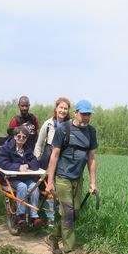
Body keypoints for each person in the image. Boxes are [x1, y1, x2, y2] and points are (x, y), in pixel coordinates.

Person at [45, 99, 98, 254]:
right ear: (76, 113)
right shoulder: (64, 129)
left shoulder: (91, 131)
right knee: (68, 213)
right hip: (62, 177)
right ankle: (69, 252)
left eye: (89, 114)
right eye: (83, 114)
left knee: (74, 214)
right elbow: (54, 155)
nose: (86, 117)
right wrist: (50, 180)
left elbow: (91, 158)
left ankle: (52, 238)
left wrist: (93, 182)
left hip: (78, 178)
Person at [34, 97, 71, 226]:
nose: (63, 110)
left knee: (60, 186)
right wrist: (36, 161)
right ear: (56, 109)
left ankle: (60, 217)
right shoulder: (48, 124)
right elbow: (39, 144)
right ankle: (48, 217)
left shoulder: (70, 125)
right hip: (48, 156)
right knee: (47, 187)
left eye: (65, 108)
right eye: (61, 107)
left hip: (63, 158)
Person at [0, 126, 42, 227]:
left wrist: (28, 165)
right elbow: (3, 163)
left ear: (26, 138)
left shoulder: (27, 148)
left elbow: (35, 162)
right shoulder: (7, 147)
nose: (21, 139)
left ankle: (34, 216)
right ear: (14, 136)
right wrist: (18, 167)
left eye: (24, 137)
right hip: (11, 178)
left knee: (34, 186)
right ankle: (20, 215)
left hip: (25, 177)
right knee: (22, 187)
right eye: (19, 136)